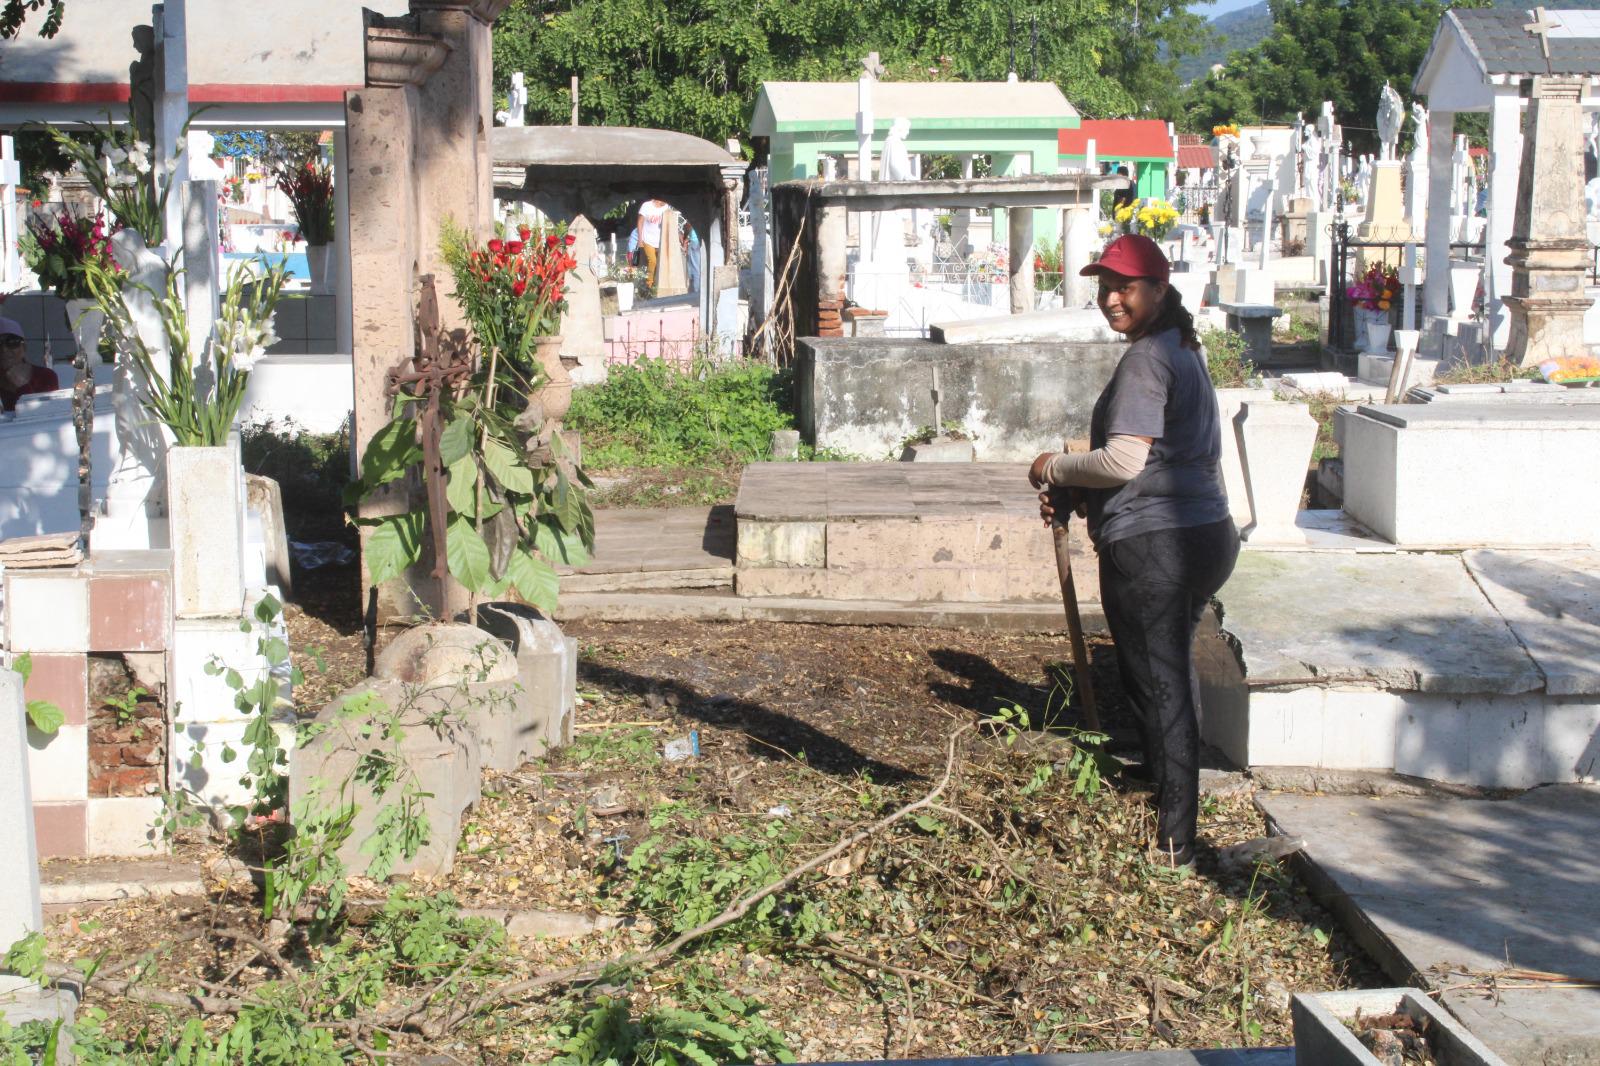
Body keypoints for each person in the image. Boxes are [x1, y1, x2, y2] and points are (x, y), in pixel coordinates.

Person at [1027, 234, 1238, 868]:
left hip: (1159, 547)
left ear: (1159, 291)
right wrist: (1082, 498)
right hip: (1201, 534)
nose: (1112, 299)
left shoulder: (1148, 358)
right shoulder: (1180, 348)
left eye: (1125, 287)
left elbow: (1123, 460)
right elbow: (1160, 459)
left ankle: (1176, 843)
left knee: (1161, 682)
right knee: (1159, 675)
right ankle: (1163, 788)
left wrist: (1055, 468)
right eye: (1104, 287)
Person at [0, 317, 59, 413]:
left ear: (24, 347)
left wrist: (22, 386)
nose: (4, 350)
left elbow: (46, 414)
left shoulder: (45, 376)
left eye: (12, 342)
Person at [635, 198, 668, 288]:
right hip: (648, 239)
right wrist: (640, 239)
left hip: (660, 241)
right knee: (652, 261)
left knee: (660, 263)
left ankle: (657, 284)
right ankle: (648, 285)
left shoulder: (666, 208)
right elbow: (640, 221)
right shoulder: (646, 206)